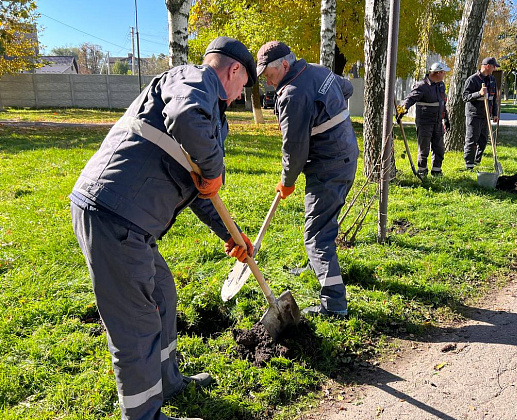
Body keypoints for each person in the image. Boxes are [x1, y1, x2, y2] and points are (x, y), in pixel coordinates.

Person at [69, 36, 257, 420]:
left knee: (163, 294)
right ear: (233, 70)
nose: (240, 96)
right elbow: (187, 121)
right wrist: (215, 169)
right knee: (135, 324)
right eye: (243, 86)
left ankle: (166, 379)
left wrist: (232, 237)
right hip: (113, 213)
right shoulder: (195, 79)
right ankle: (143, 415)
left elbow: (202, 191)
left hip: (132, 221)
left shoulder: (209, 113)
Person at [256, 41, 358, 318]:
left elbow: (294, 148)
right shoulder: (318, 71)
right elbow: (346, 88)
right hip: (345, 154)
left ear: (285, 66)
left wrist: (286, 181)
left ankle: (334, 305)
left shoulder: (291, 94)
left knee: (316, 236)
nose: (267, 79)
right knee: (324, 223)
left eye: (269, 73)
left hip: (329, 166)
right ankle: (319, 268)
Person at [396, 62, 451, 177]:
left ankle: (437, 171)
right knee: (424, 148)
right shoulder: (422, 86)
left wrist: (445, 119)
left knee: (439, 148)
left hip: (437, 122)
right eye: (443, 73)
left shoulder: (441, 85)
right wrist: (402, 110)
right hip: (425, 122)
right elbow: (410, 99)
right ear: (437, 73)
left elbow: (442, 103)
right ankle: (422, 172)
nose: (444, 75)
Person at [462, 57, 500, 170]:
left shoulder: (492, 80)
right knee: (471, 140)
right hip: (474, 115)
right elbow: (465, 97)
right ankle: (469, 164)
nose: (494, 69)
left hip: (486, 116)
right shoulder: (472, 80)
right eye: (494, 67)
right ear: (488, 66)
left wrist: (495, 113)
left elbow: (493, 99)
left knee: (483, 141)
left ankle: (477, 161)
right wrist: (478, 93)